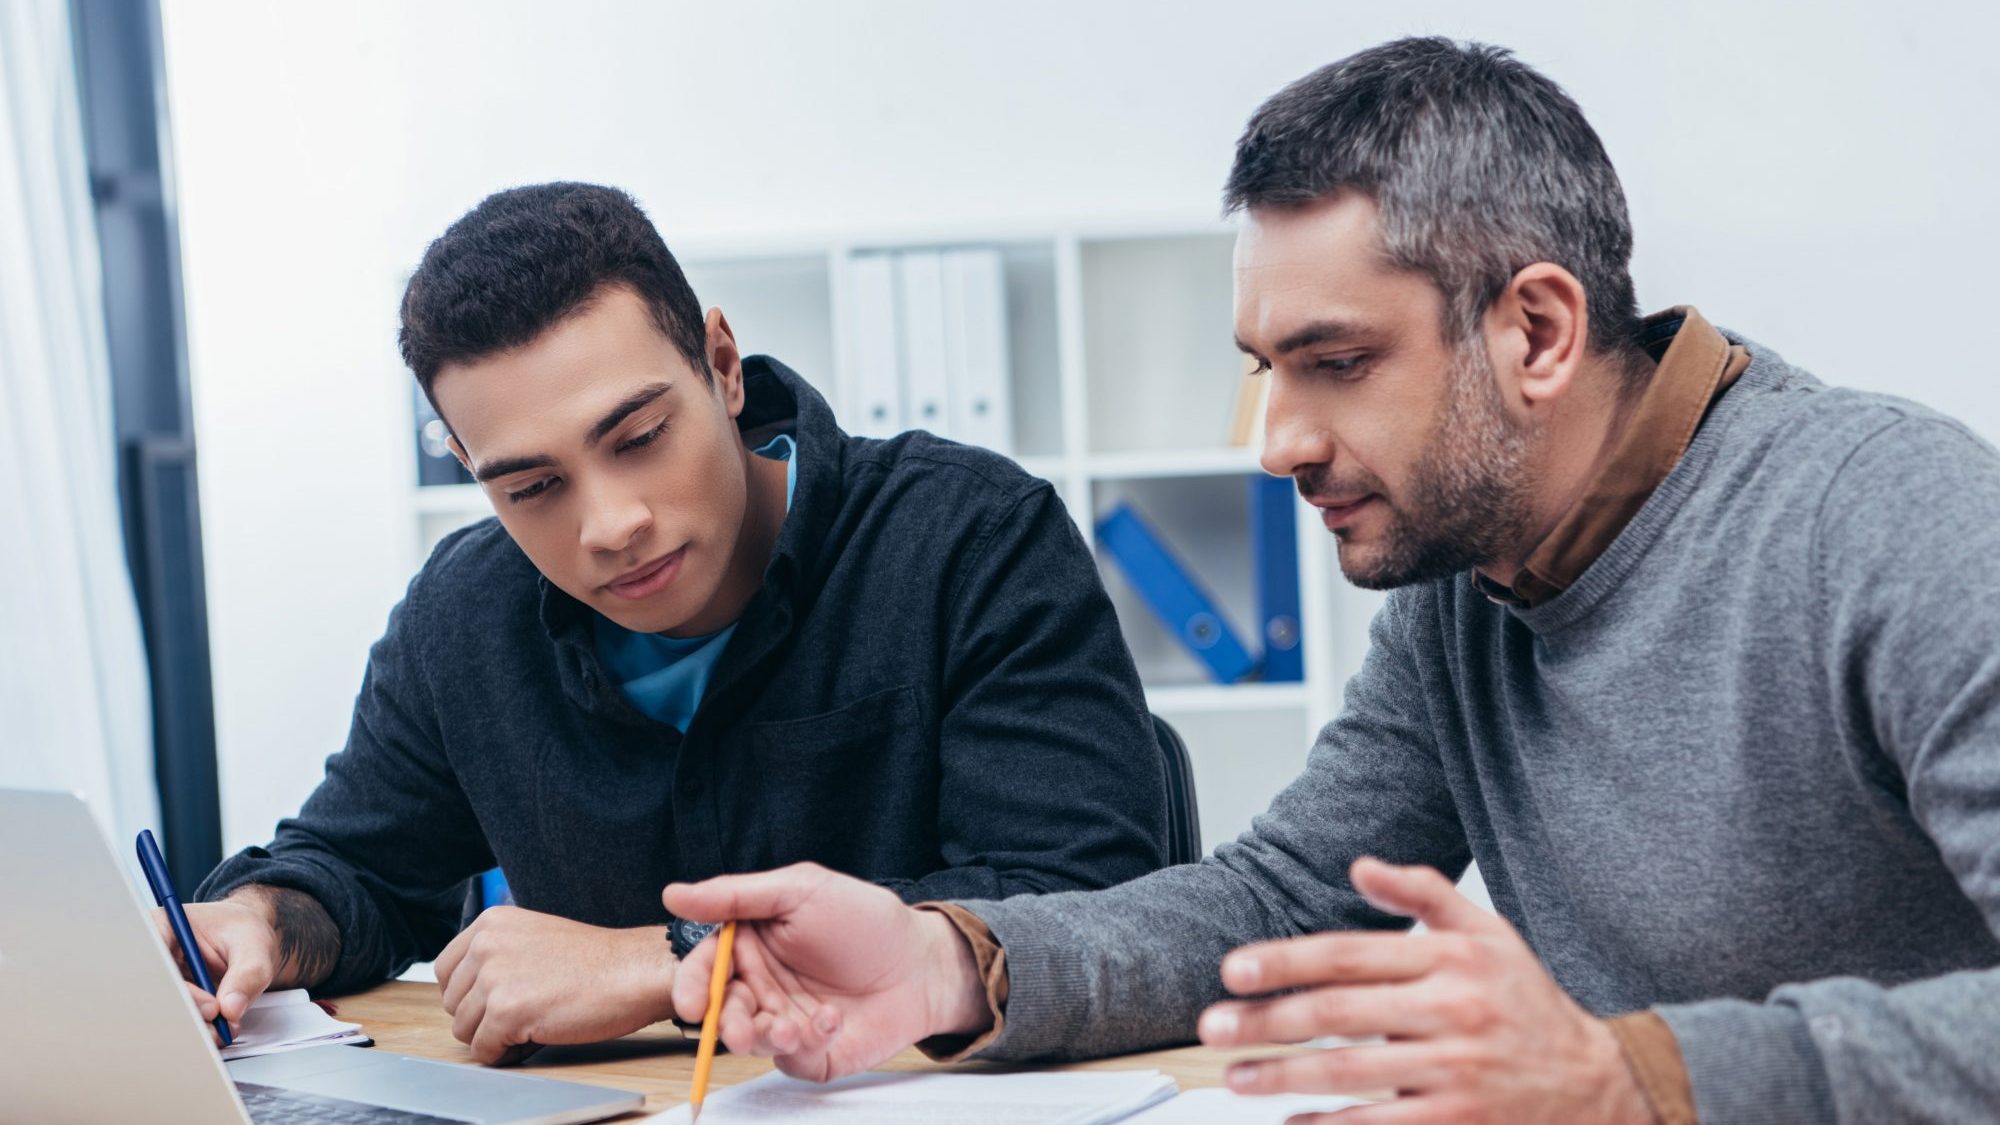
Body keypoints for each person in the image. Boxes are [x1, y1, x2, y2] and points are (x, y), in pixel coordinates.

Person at [658, 39, 2000, 1124]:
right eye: (1264, 367)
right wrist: (945, 960)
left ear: (1536, 330)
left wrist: (1633, 1078)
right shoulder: (1470, 565)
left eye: (1336, 362)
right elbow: (1289, 895)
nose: (1277, 442)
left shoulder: (1892, 522)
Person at [154, 182, 1169, 1064]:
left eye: (637, 438)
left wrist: (660, 963)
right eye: (530, 486)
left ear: (721, 366)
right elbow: (360, 871)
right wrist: (259, 922)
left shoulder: (968, 538)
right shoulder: (464, 614)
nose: (610, 526)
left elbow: (1077, 909)